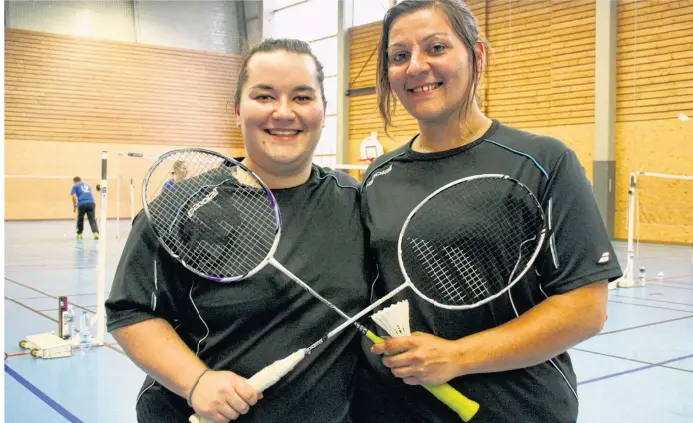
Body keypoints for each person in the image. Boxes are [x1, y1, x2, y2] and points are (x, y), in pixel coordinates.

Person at [352, 1, 623, 422]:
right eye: (399, 55)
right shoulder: (379, 178)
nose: (416, 66)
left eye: (436, 47)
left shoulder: (541, 162)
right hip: (398, 411)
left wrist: (458, 357)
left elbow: (585, 308)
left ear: (476, 55)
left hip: (516, 409)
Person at [105, 39, 372, 423]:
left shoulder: (358, 203)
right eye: (264, 96)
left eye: (301, 97)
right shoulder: (180, 209)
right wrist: (195, 382)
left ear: (323, 112)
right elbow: (130, 311)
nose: (283, 112)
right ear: (236, 109)